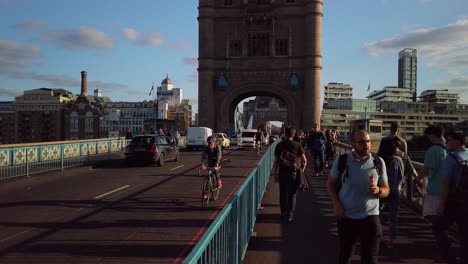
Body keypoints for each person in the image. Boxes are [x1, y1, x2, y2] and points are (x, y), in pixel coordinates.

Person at [327, 129, 389, 264]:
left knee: (370, 259)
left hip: (371, 216)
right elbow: (330, 184)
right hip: (347, 216)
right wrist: (336, 205)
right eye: (361, 142)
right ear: (353, 144)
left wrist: (378, 190)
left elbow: (386, 190)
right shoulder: (342, 161)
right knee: (345, 256)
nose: (366, 144)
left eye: (368, 141)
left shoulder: (378, 162)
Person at [434, 131, 468, 264]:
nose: (446, 142)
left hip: (455, 202)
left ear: (457, 142)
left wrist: (441, 205)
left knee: (438, 227)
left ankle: (449, 257)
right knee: (465, 234)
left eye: (448, 140)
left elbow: (445, 183)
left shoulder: (451, 158)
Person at [271, 126, 307, 224]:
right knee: (292, 195)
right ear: (294, 134)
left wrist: (274, 175)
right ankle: (290, 216)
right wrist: (301, 171)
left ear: (285, 134)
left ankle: (283, 214)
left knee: (283, 195)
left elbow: (276, 163)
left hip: (282, 174)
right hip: (294, 174)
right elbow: (305, 160)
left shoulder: (279, 145)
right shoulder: (298, 145)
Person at [415, 125, 447, 220]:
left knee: (431, 215)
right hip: (447, 189)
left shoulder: (432, 150)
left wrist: (417, 179)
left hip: (434, 189)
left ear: (432, 135)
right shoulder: (449, 149)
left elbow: (426, 168)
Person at [377, 138, 404, 248]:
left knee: (377, 214)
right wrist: (398, 186)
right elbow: (401, 176)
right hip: (393, 190)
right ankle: (391, 240)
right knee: (393, 217)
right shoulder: (398, 160)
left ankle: (379, 237)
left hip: (380, 190)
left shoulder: (377, 160)